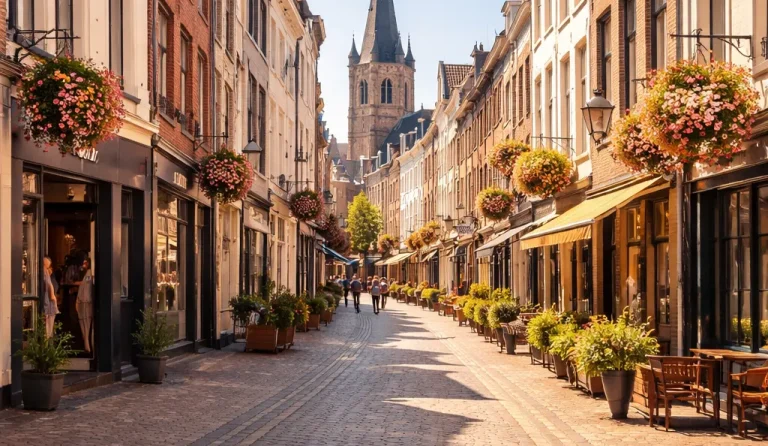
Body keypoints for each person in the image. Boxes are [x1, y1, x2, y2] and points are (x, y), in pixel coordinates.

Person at [74, 258, 94, 353]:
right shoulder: (87, 275)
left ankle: (87, 345)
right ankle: (86, 345)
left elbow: (85, 287)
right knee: (84, 322)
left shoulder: (89, 274)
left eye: (85, 262)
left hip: (85, 301)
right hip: (84, 301)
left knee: (85, 323)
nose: (83, 264)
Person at [43, 256, 59, 338]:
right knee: (47, 332)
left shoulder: (47, 274)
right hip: (48, 306)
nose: (50, 269)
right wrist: (55, 302)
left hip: (48, 305)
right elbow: (50, 290)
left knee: (48, 331)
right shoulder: (45, 273)